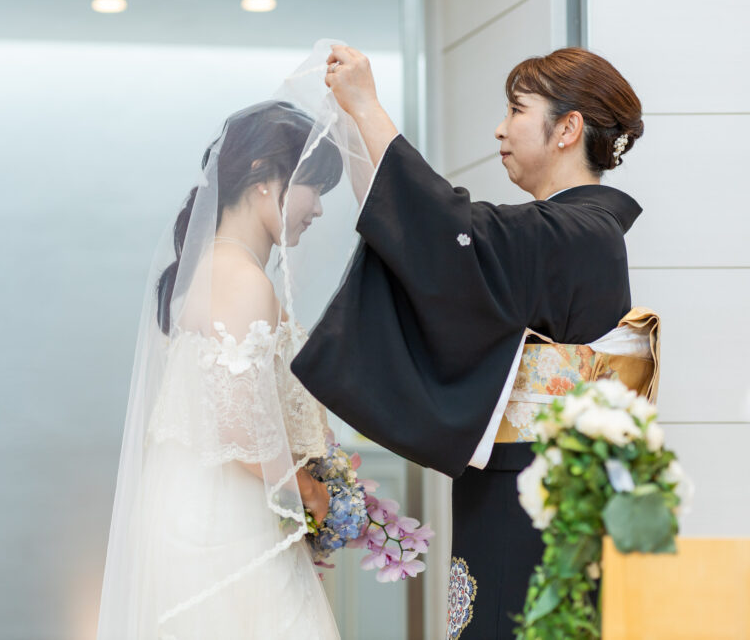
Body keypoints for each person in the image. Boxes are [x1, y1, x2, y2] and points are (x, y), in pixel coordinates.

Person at [291, 45, 659, 638]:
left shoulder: (581, 230)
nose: (500, 128)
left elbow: (443, 230)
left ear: (567, 129)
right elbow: (418, 234)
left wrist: (368, 106)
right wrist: (358, 122)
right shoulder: (569, 229)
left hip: (535, 491)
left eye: (516, 110)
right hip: (526, 481)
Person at [97, 44, 369, 638]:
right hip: (225, 522)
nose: (318, 210)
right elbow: (240, 426)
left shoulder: (214, 269)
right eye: (312, 188)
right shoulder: (241, 279)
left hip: (202, 507)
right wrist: (310, 491)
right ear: (264, 179)